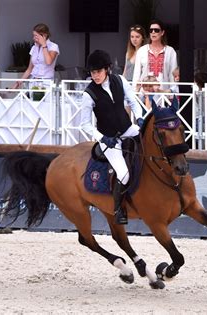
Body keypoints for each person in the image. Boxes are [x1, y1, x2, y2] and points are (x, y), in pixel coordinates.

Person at [80, 50, 144, 225]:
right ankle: (118, 209)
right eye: (92, 73)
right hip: (109, 139)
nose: (95, 76)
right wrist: (102, 138)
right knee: (123, 174)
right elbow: (84, 124)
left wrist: (139, 117)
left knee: (150, 143)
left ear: (107, 69)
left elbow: (133, 101)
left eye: (98, 72)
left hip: (127, 129)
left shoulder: (120, 80)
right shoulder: (88, 94)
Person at [132, 20, 178, 91]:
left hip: (164, 95)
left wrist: (172, 93)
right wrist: (135, 93)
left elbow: (173, 75)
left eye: (156, 30)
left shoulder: (170, 51)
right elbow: (136, 74)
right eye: (151, 30)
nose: (153, 32)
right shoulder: (142, 50)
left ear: (162, 32)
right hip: (144, 95)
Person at [13, 23, 60, 89]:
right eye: (33, 36)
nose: (34, 38)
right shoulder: (34, 48)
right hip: (33, 81)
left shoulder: (53, 47)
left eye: (36, 36)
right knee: (32, 99)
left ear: (44, 35)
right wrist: (17, 84)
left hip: (46, 82)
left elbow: (49, 62)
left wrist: (44, 45)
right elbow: (30, 69)